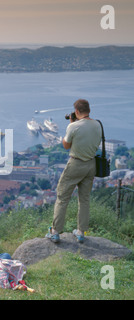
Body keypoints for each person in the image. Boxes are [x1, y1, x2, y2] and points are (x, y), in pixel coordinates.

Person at [46, 99, 102, 243]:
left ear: (76, 112)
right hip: (91, 164)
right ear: (89, 110)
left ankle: (55, 231)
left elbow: (66, 145)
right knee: (84, 199)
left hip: (76, 164)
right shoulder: (98, 124)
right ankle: (81, 232)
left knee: (62, 197)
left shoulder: (74, 126)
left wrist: (71, 124)